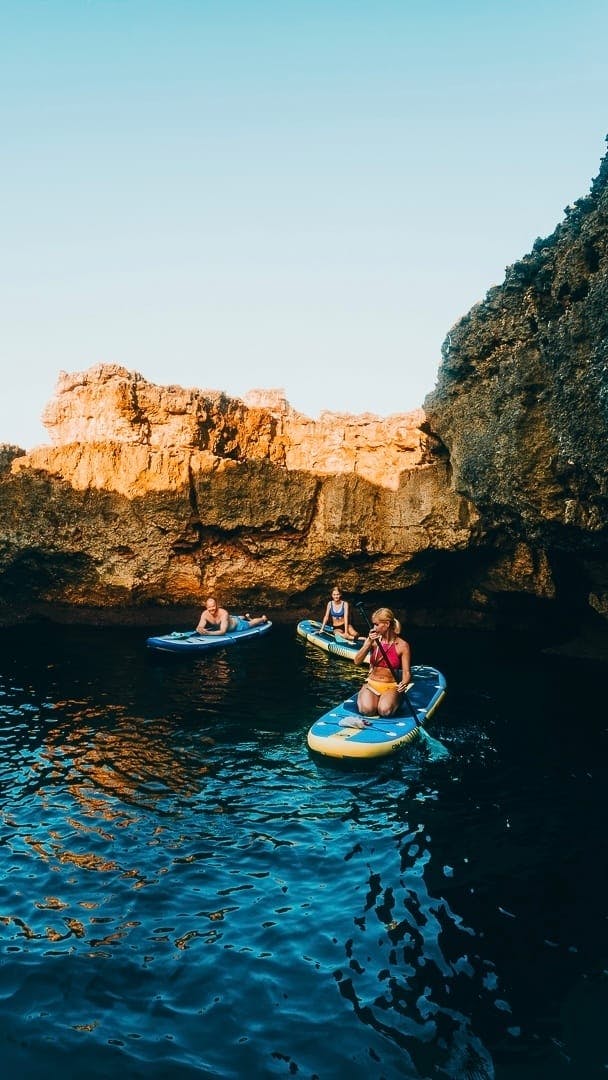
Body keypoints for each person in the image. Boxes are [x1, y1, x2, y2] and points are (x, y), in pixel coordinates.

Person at [354, 607, 411, 718]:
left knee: (385, 711)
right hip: (371, 684)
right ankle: (366, 694)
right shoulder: (373, 640)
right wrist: (368, 643)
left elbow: (407, 672)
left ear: (387, 624)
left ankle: (396, 699)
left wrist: (404, 683)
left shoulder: (403, 645)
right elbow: (357, 661)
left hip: (391, 686)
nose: (373, 628)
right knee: (367, 710)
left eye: (376, 624)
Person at [196, 596, 268, 636]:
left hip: (238, 625)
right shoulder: (204, 614)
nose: (211, 609)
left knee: (251, 623)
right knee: (230, 618)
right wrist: (200, 629)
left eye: (213, 606)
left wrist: (208, 633)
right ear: (206, 607)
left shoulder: (223, 613)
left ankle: (263, 619)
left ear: (216, 605)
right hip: (229, 620)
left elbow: (223, 631)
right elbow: (199, 626)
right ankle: (244, 616)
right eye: (209, 607)